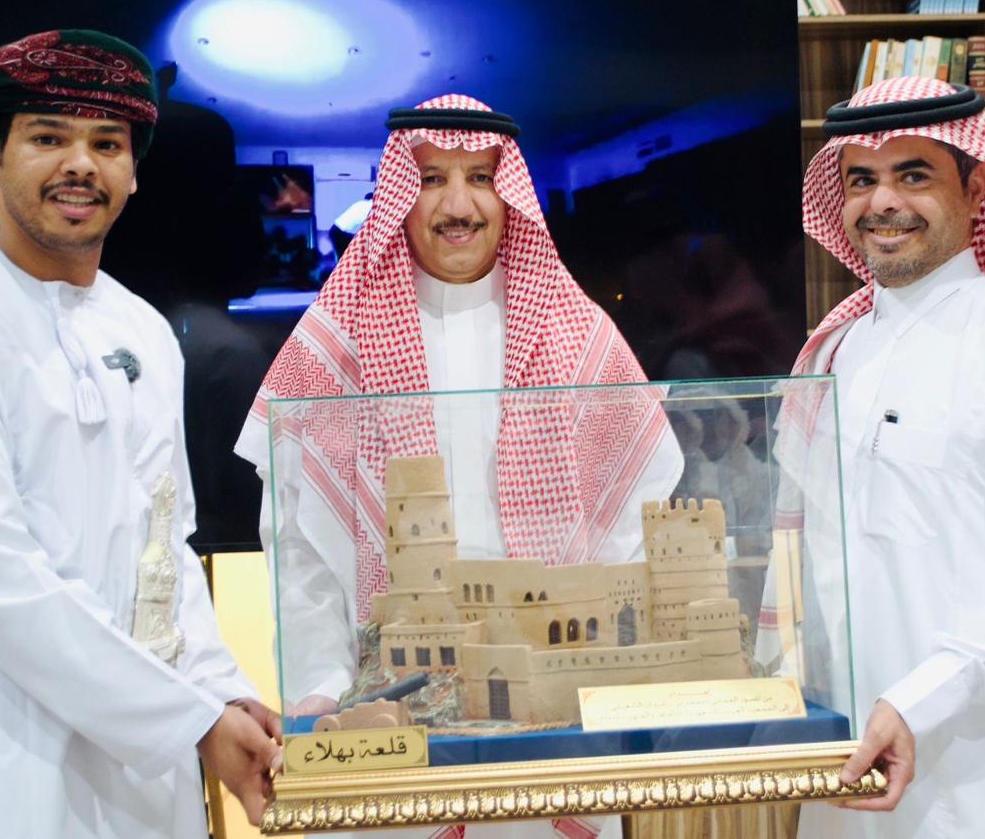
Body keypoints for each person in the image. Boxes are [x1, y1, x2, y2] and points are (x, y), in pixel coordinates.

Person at [0, 30, 280, 839]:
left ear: (132, 173)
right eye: (48, 138)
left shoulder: (143, 330)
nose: (80, 165)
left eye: (107, 144)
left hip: (143, 740)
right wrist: (189, 718)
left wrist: (220, 691)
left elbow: (167, 547)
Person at [235, 94, 682, 839]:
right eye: (431, 179)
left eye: (479, 177)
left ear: (508, 196)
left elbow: (636, 514)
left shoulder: (577, 331)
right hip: (386, 715)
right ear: (398, 198)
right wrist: (323, 692)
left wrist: (597, 667)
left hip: (550, 711)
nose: (458, 204)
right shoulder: (336, 340)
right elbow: (299, 549)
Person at [786, 76, 985, 838]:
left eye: (914, 175)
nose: (882, 202)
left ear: (976, 191)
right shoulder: (832, 355)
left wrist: (922, 698)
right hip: (851, 756)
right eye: (861, 180)